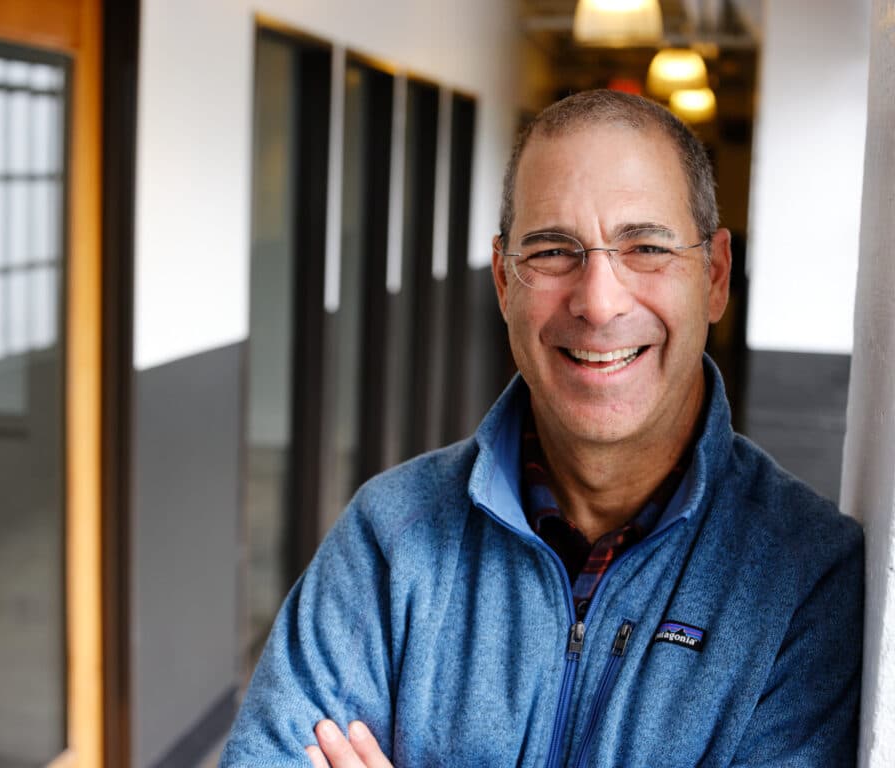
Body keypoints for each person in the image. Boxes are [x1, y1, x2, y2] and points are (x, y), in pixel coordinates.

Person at [220, 90, 863, 767]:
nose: (598, 301)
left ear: (715, 275)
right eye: (554, 251)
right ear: (503, 282)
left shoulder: (805, 578)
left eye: (644, 246)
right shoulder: (389, 536)